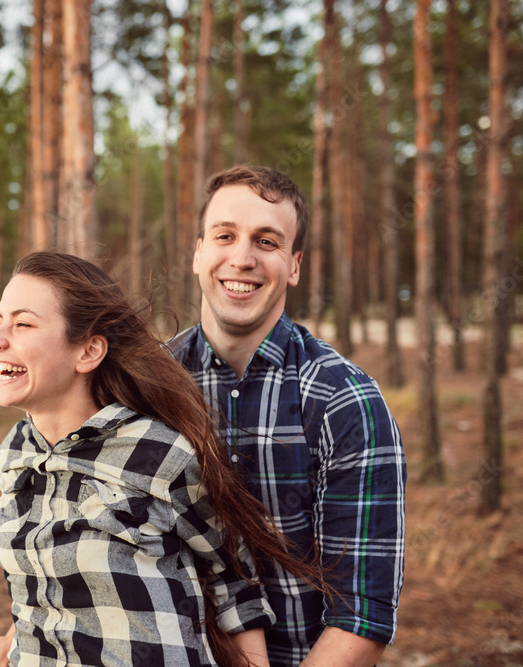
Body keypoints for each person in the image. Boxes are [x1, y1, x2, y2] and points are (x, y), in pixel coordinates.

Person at [0, 251, 328, 667]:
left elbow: (234, 582)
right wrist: (7, 648)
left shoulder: (156, 451)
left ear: (88, 351)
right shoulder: (16, 450)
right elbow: (38, 588)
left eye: (23, 324)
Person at [170, 164, 406, 666]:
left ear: (294, 266)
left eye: (267, 242)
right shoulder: (149, 386)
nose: (242, 258)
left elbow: (360, 618)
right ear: (198, 253)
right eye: (225, 236)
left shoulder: (346, 401)